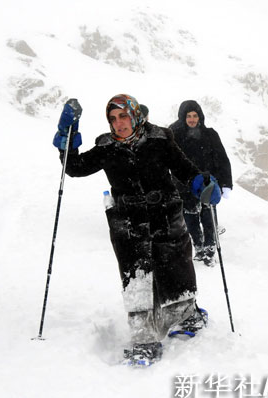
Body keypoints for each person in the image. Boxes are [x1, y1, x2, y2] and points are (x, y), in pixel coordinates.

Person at [52, 94, 221, 365]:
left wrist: (201, 182)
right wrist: (66, 140)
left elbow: (183, 168)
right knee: (136, 277)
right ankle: (144, 339)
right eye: (113, 119)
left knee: (175, 266)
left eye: (123, 116)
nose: (119, 124)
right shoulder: (106, 147)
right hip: (128, 220)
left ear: (135, 114)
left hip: (164, 212)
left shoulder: (160, 139)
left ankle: (187, 315)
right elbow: (75, 168)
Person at [169, 100, 233, 266]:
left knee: (208, 214)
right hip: (184, 183)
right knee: (190, 215)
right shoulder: (175, 134)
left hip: (207, 182)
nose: (192, 119)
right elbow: (168, 160)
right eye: (188, 116)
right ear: (182, 117)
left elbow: (222, 159)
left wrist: (226, 183)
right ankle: (198, 246)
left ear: (200, 116)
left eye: (195, 115)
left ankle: (210, 248)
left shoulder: (210, 134)